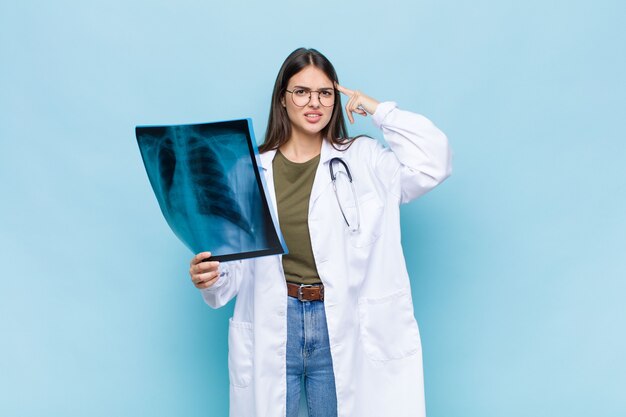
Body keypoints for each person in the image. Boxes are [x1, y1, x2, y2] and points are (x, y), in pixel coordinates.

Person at [188, 48, 452, 417]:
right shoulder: (250, 171)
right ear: (282, 98)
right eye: (301, 92)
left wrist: (380, 111)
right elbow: (231, 276)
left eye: (324, 93)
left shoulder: (364, 159)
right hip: (275, 322)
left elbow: (433, 162)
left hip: (340, 322)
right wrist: (210, 277)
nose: (314, 102)